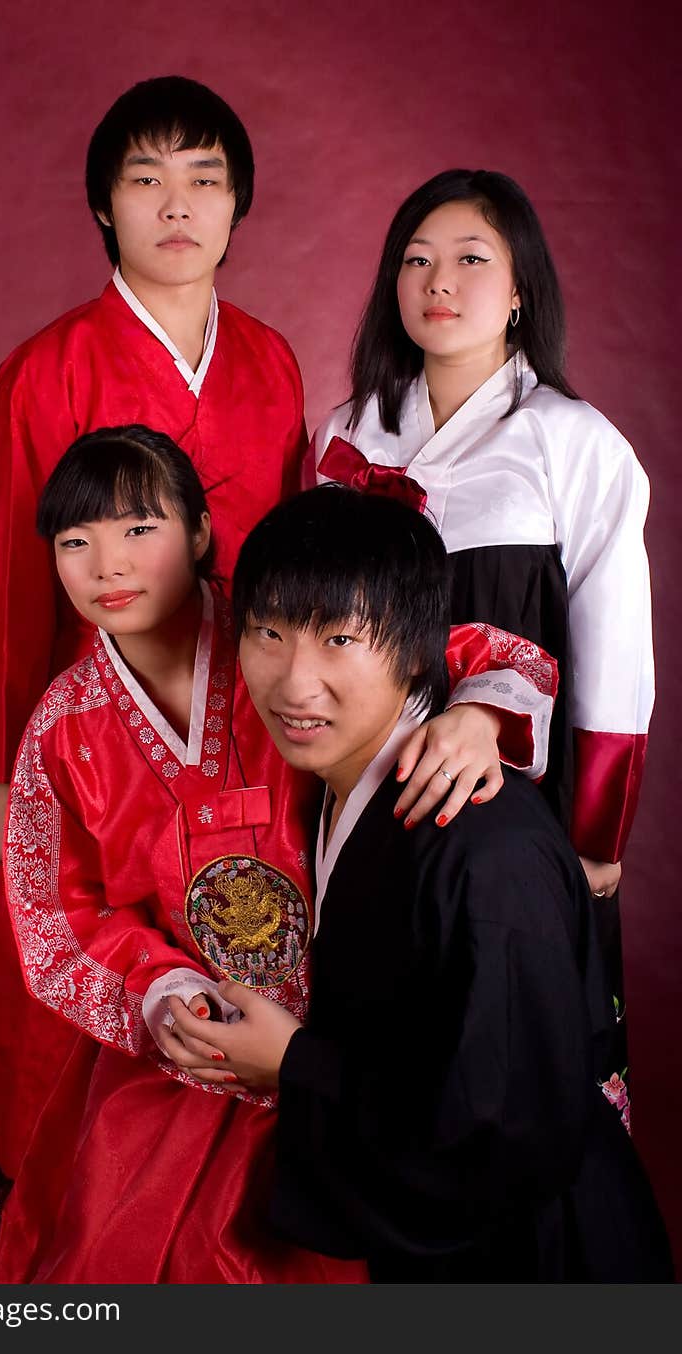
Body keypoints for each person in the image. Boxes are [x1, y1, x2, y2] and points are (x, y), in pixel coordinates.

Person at [0, 425, 558, 1283]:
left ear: (202, 533)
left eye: (140, 529)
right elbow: (59, 913)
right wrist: (169, 995)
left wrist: (476, 714)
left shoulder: (283, 628)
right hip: (198, 1048)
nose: (109, 565)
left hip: (346, 1032)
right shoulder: (64, 731)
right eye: (77, 541)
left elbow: (468, 650)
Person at [168, 485, 673, 1283]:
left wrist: (295, 1062)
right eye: (268, 631)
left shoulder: (484, 848)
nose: (295, 684)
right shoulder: (342, 789)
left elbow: (502, 1131)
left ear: (416, 647)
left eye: (337, 639)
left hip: (539, 1262)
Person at [0, 76, 310, 1197]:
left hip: (250, 719)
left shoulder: (269, 360)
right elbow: (12, 586)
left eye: (203, 180)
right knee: (77, 955)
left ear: (236, 205)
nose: (177, 206)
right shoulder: (48, 367)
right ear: (104, 206)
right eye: (146, 179)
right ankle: (39, 1186)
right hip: (100, 731)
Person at [308, 169, 653, 1119]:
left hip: (509, 793)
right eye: (415, 261)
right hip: (354, 784)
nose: (437, 282)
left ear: (520, 291)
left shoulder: (571, 442)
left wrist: (595, 832)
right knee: (371, 1045)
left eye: (469, 259)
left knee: (504, 1060)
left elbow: (614, 647)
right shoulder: (346, 434)